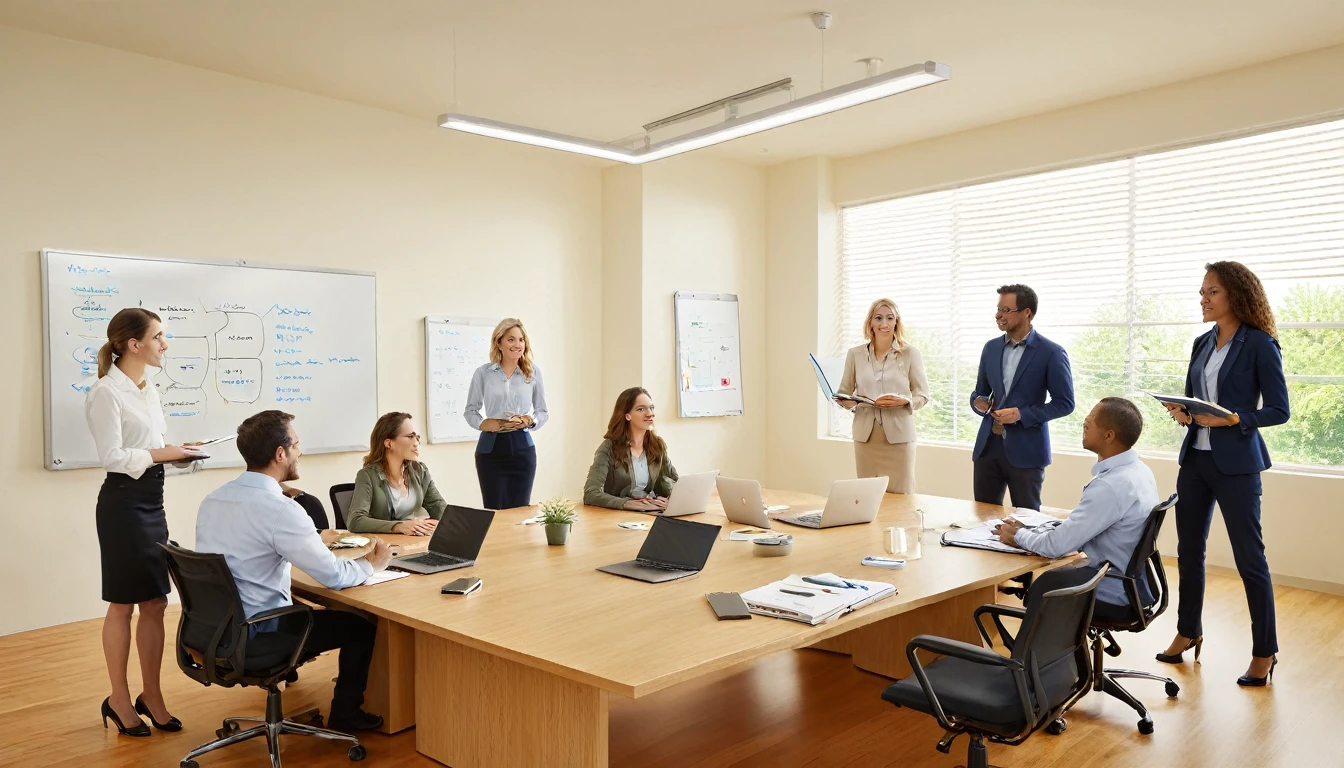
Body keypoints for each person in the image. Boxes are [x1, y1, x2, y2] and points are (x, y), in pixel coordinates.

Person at [196, 410, 393, 731]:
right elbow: (334, 577)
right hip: (259, 632)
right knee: (361, 625)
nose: (300, 453)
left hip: (216, 631)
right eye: (297, 445)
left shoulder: (213, 500)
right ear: (280, 454)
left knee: (306, 609)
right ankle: (346, 714)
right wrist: (371, 564)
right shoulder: (282, 509)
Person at [1156, 261, 1289, 687]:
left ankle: (1264, 651)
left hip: (1236, 466)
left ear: (1235, 294)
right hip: (1195, 459)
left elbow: (1278, 410)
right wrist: (1184, 412)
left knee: (1250, 560)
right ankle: (1187, 630)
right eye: (1202, 292)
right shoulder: (1201, 343)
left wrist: (1234, 420)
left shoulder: (1260, 344)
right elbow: (1196, 397)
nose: (1203, 299)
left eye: (1211, 292)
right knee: (1188, 552)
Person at [85, 307, 198, 737]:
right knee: (123, 602)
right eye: (159, 338)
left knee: (155, 601)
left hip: (153, 501)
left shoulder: (148, 390)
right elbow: (112, 458)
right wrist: (163, 453)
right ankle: (118, 696)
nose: (165, 345)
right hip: (122, 507)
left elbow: (150, 450)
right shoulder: (105, 393)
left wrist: (181, 453)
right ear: (133, 344)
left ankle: (151, 694)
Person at [994, 398, 1160, 619]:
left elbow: (1055, 547)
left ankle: (1031, 653)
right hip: (1133, 584)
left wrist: (1019, 536)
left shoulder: (1110, 486)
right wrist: (1039, 531)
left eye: (1088, 424)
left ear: (1108, 436)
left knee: (1044, 586)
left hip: (1110, 589)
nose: (1083, 426)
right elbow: (1085, 529)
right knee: (1054, 577)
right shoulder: (1139, 471)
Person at [969, 284, 1075, 511]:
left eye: (1006, 310)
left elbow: (1065, 404)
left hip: (1027, 452)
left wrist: (1021, 415)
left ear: (1027, 312)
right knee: (982, 518)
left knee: (1026, 523)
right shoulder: (990, 348)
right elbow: (979, 392)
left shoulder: (1052, 353)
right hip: (987, 448)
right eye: (998, 309)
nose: (998, 315)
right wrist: (979, 404)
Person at [836, 298, 930, 493]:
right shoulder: (855, 354)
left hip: (899, 438)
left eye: (890, 318)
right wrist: (847, 401)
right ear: (870, 322)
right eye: (878, 318)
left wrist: (906, 401)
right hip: (866, 439)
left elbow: (922, 395)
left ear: (897, 322)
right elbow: (844, 392)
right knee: (867, 497)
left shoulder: (910, 353)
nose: (884, 324)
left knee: (901, 497)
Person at [464, 318, 549, 509]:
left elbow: (542, 411)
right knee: (494, 511)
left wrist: (529, 420)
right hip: (490, 450)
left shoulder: (533, 373)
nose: (517, 345)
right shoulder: (483, 373)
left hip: (522, 449)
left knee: (520, 512)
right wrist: (484, 424)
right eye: (511, 339)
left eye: (521, 340)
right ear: (499, 342)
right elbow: (470, 411)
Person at [345, 412, 449, 535]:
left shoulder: (419, 471)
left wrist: (445, 522)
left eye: (417, 437)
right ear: (389, 443)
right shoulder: (367, 476)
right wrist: (398, 526)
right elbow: (355, 521)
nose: (416, 443)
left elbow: (438, 506)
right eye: (410, 436)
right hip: (385, 546)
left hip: (415, 541)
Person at [584, 387, 678, 511]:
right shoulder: (609, 447)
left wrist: (670, 500)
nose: (650, 413)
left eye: (651, 407)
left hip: (650, 511)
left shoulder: (657, 446)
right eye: (641, 409)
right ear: (627, 415)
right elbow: (591, 493)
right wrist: (627, 503)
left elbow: (675, 482)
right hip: (617, 515)